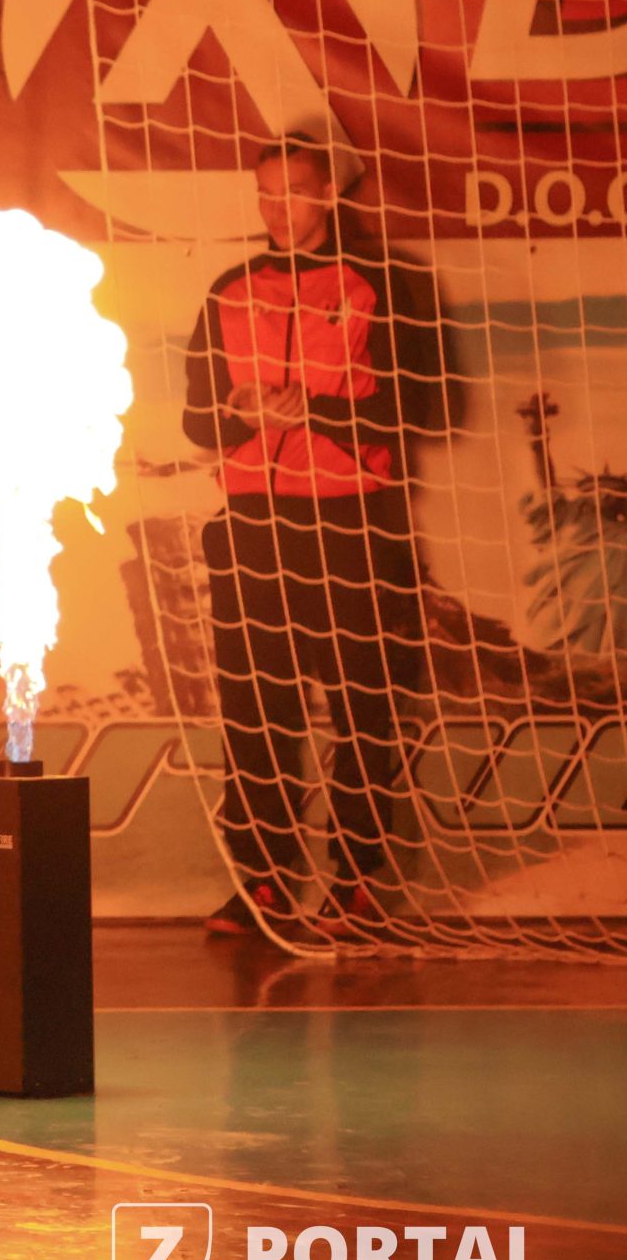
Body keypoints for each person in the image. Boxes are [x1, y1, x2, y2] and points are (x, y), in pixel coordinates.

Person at [183, 136, 448, 941]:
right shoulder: (229, 290)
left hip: (351, 524)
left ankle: (357, 884)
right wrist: (240, 413)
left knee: (363, 709)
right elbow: (196, 420)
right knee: (254, 713)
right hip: (252, 527)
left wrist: (314, 410)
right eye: (266, 194)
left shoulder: (382, 284)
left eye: (292, 191)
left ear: (327, 192)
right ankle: (259, 882)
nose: (277, 209)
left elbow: (420, 409)